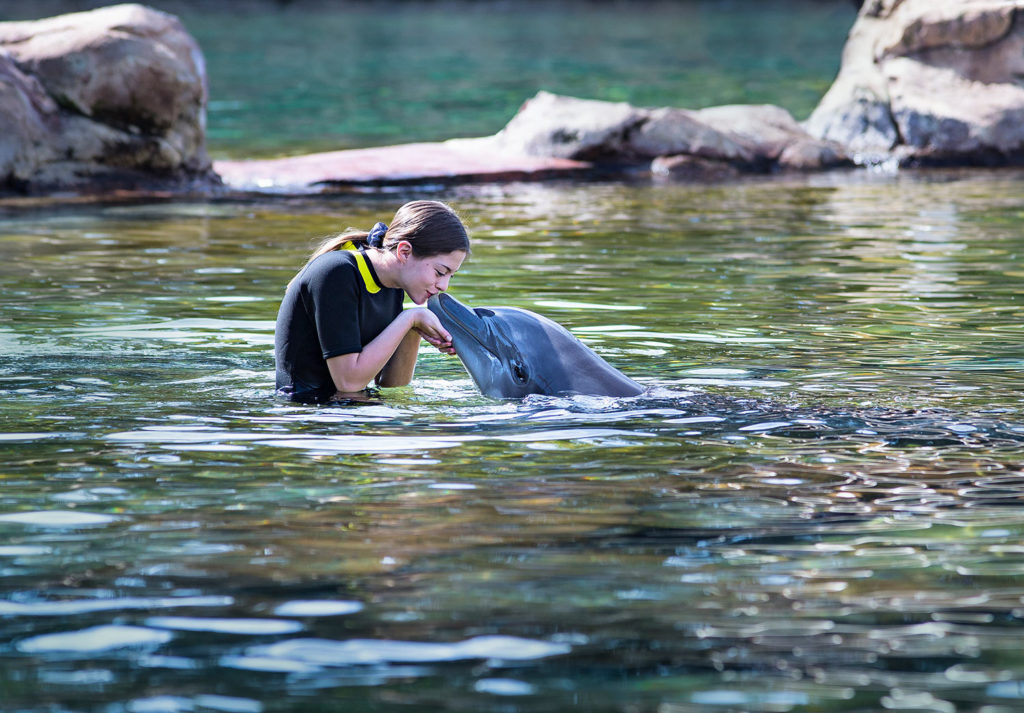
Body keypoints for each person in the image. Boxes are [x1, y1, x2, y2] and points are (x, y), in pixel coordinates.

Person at [274, 200, 470, 402]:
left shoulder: (392, 287)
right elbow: (348, 383)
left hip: (346, 412)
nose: (443, 286)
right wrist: (410, 318)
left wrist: (414, 330)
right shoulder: (336, 273)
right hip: (308, 415)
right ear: (404, 252)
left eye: (450, 276)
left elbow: (390, 384)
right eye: (440, 272)